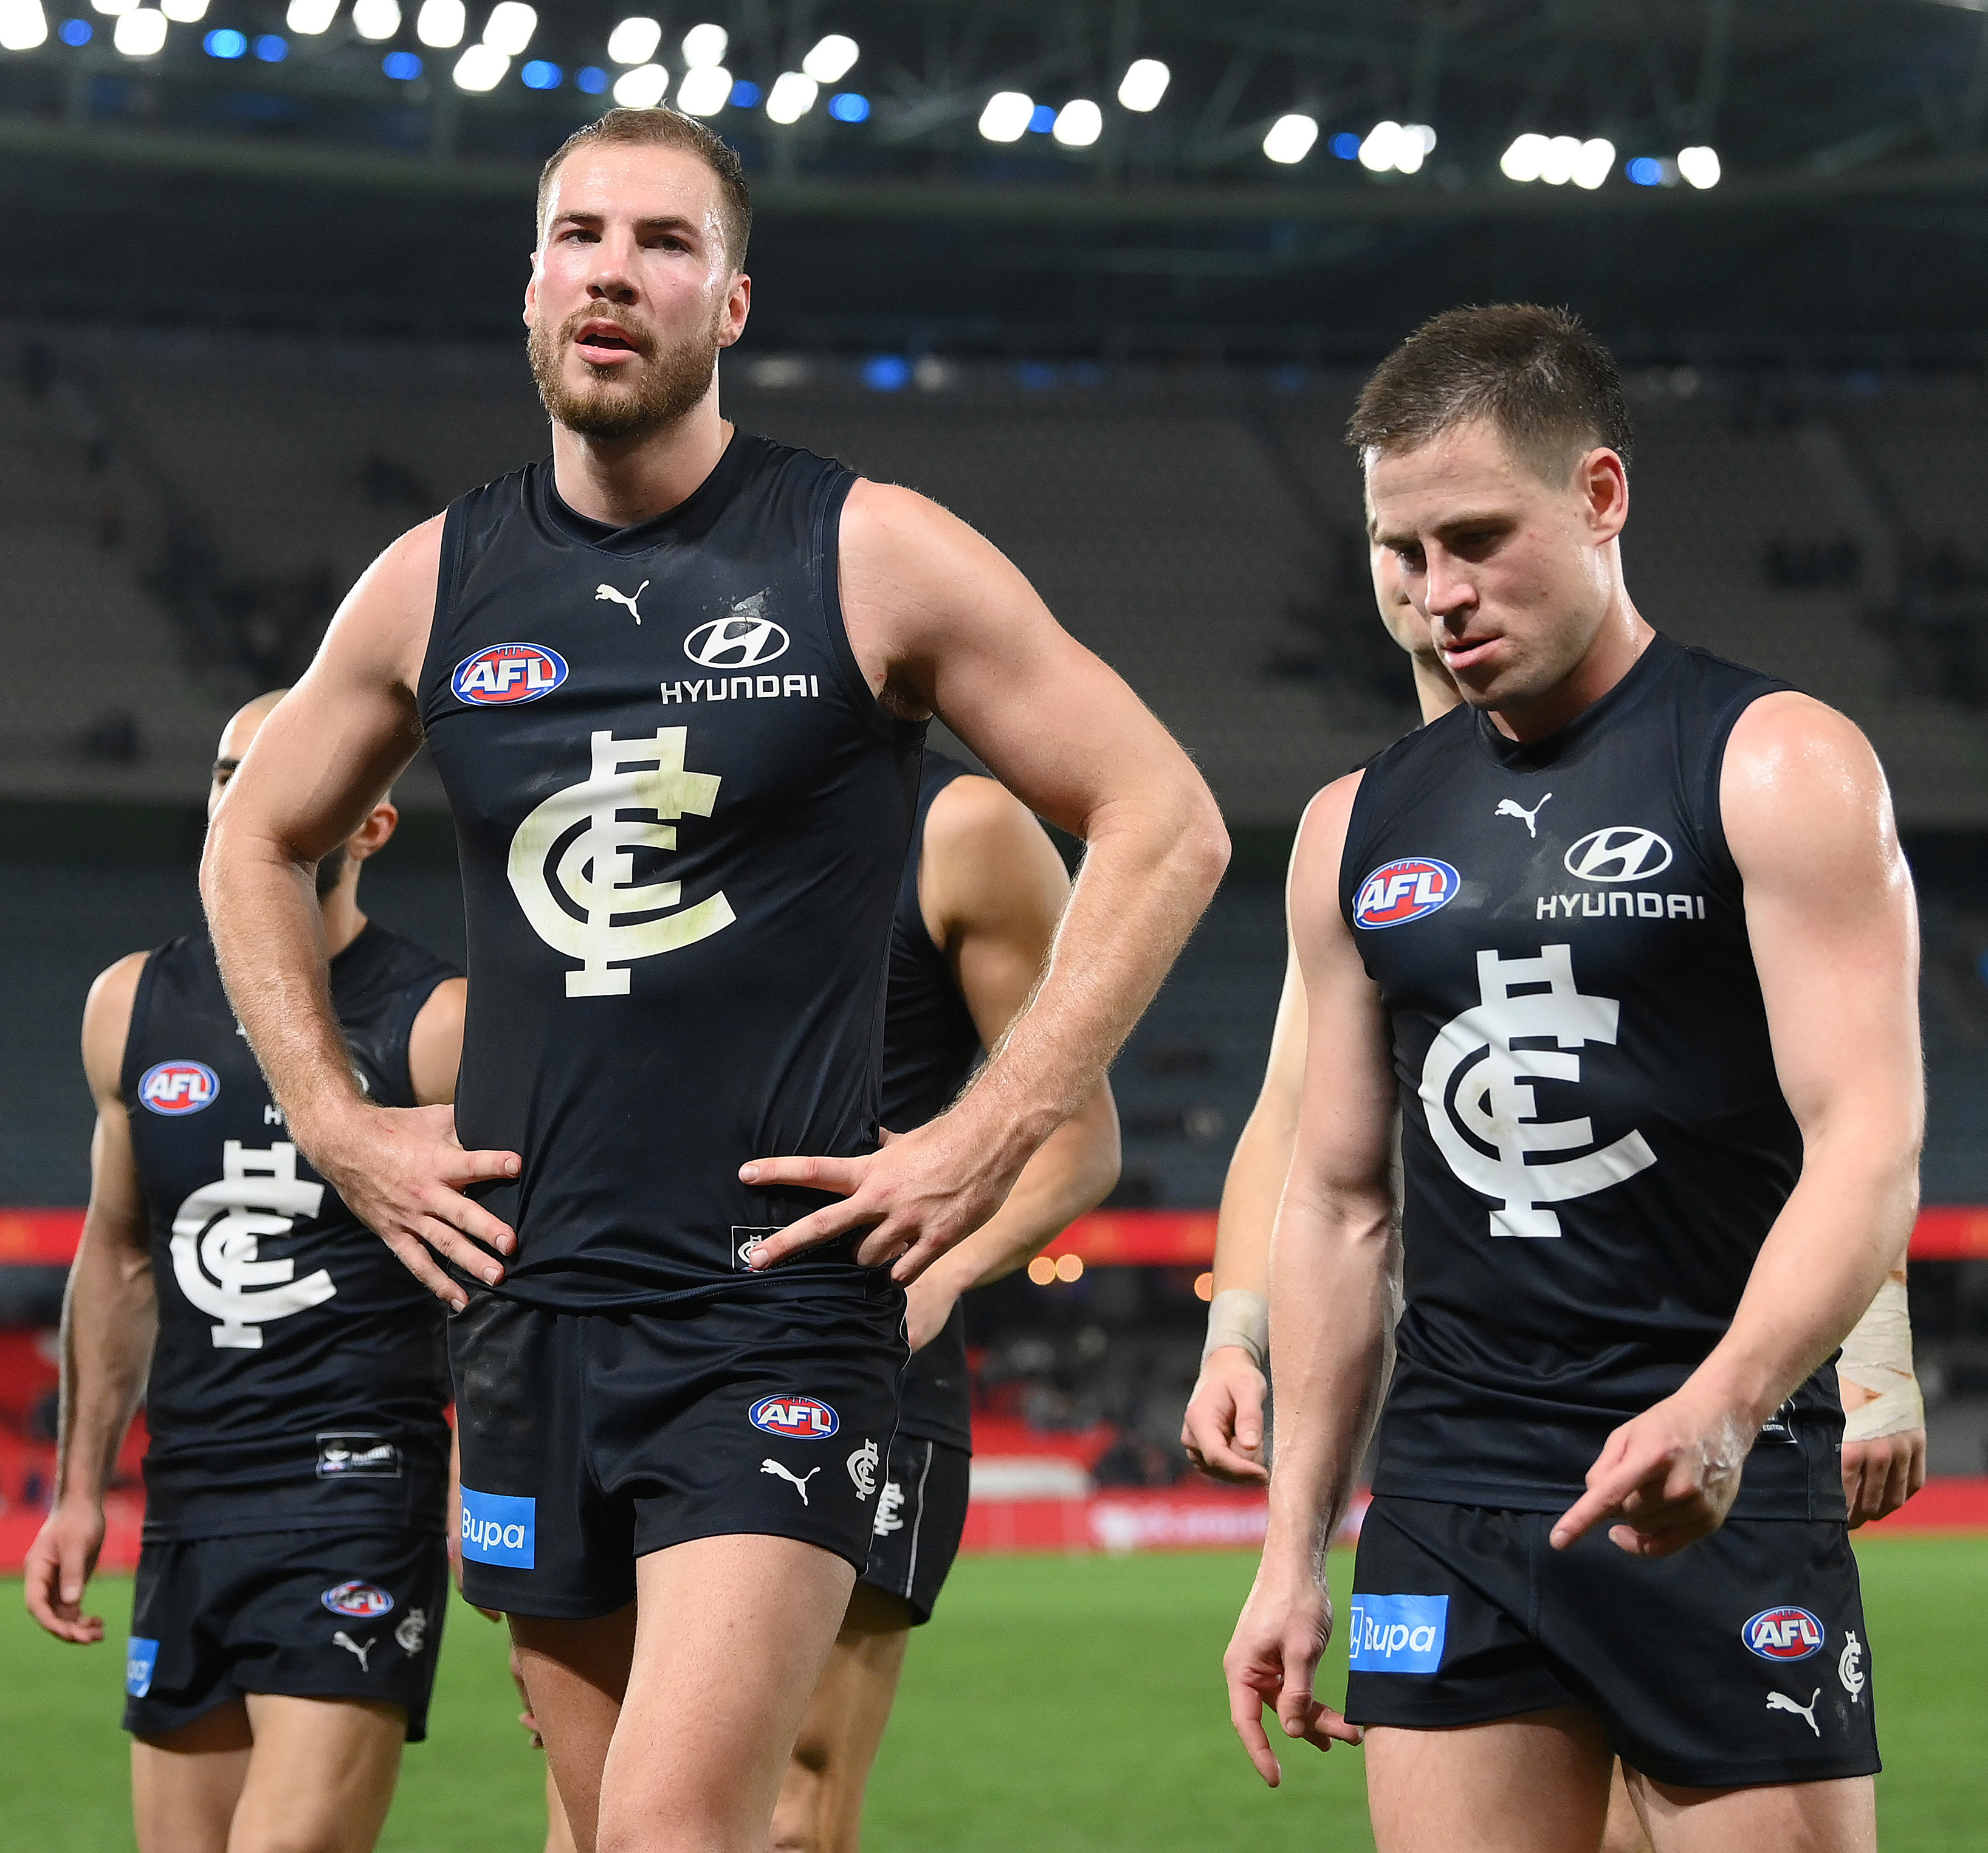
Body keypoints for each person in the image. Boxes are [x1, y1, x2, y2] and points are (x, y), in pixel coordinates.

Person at [201, 107, 1226, 1853]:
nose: (614, 271)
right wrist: (335, 1124)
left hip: (770, 1313)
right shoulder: (430, 581)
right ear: (529, 284)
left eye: (663, 243)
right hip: (526, 1309)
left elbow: (1165, 817)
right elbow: (249, 843)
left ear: (730, 302)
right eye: (580, 234)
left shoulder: (865, 549)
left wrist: (985, 1136)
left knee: (687, 1829)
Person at [1224, 306, 1920, 1853]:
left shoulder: (1778, 763)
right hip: (1450, 1500)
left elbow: (1866, 1141)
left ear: (1601, 496)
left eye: (1476, 537)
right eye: (1402, 552)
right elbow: (1338, 1204)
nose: (1436, 596)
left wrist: (1730, 1407)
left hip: (1719, 1480)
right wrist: (1292, 1551)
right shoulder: (1352, 827)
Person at [521, 752, 1127, 1853]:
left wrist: (937, 1269)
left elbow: (1078, 1141)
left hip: (847, 1359)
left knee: (792, 1802)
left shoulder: (959, 826)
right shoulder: (615, 807)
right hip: (618, 1348)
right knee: (591, 1804)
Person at [24, 691, 466, 1853]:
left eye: (283, 770)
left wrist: (495, 1492)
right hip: (189, 1504)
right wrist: (79, 1490)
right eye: (227, 771)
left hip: (361, 1492)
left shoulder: (435, 1024)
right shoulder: (131, 1003)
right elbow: (118, 1255)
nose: (242, 796)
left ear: (370, 823)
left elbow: (505, 1280)